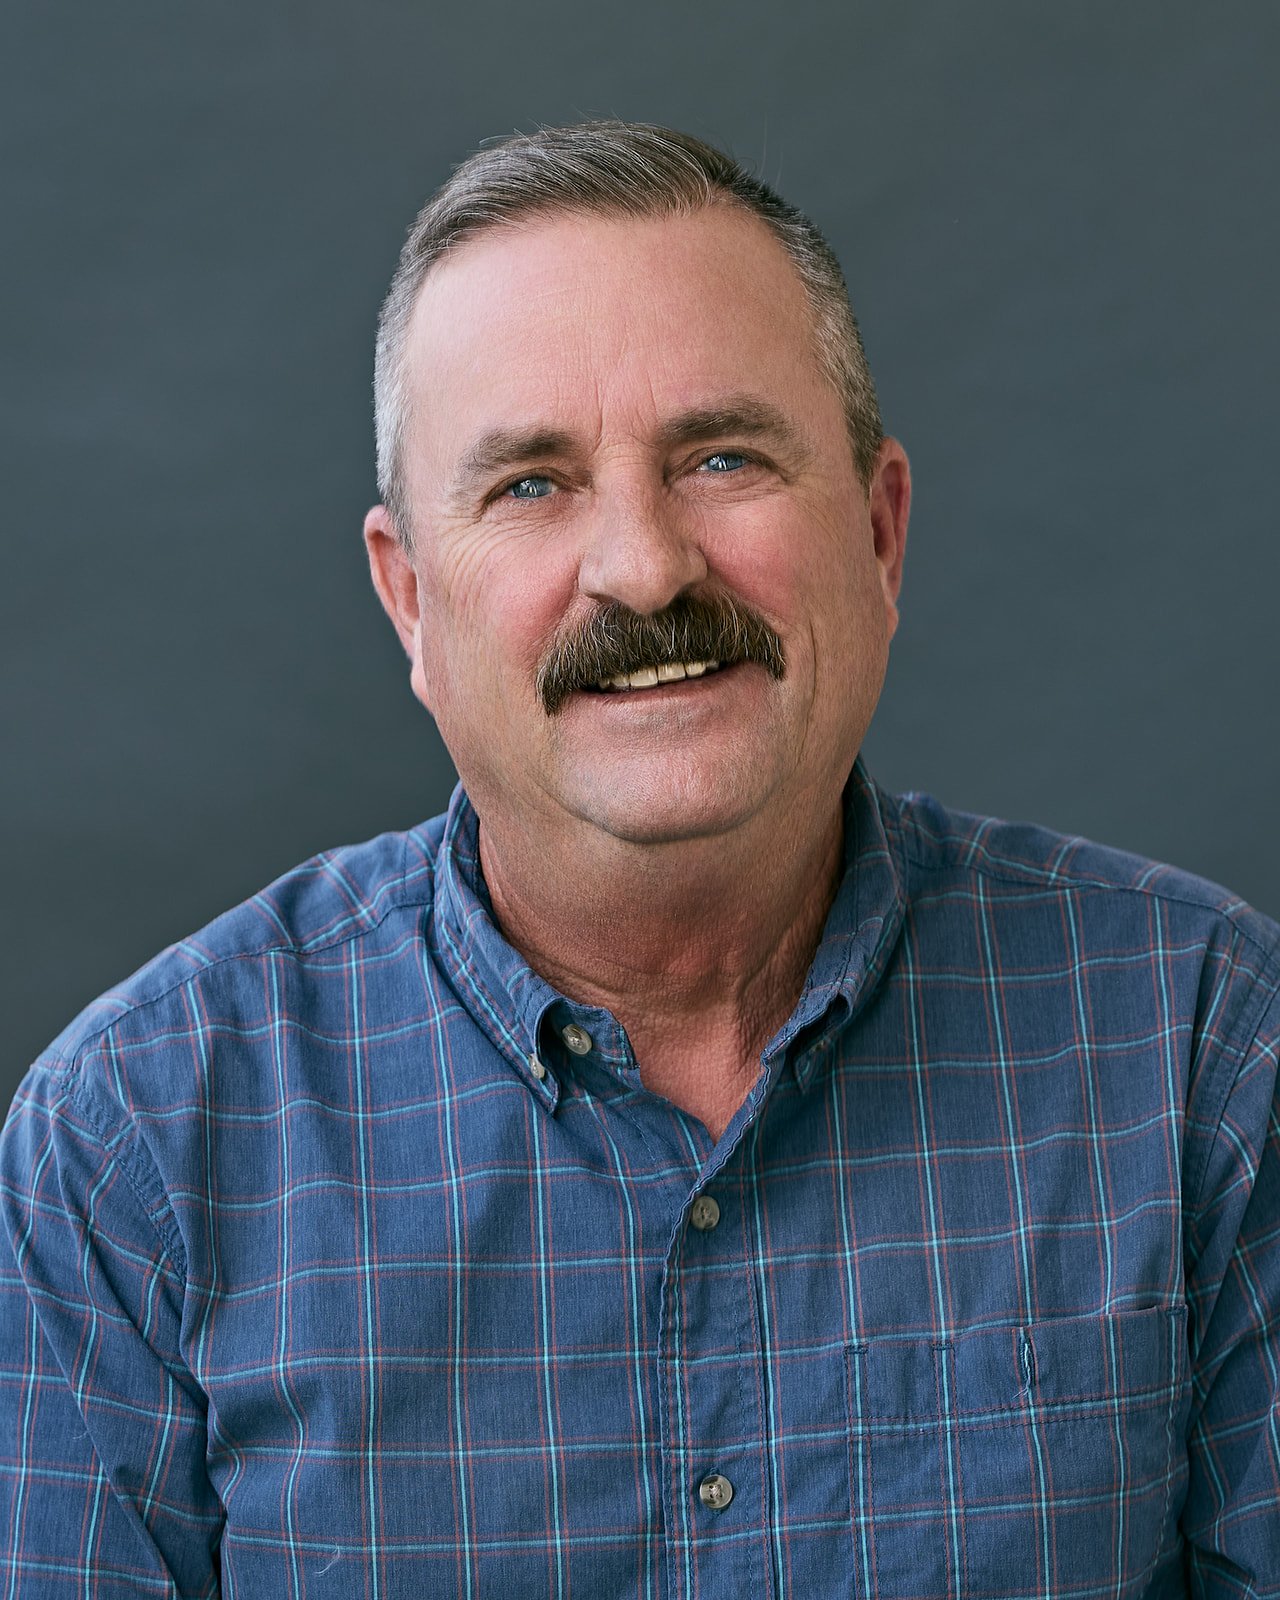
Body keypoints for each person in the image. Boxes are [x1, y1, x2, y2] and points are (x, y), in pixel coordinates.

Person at [2, 121, 1277, 1599]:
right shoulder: (139, 1148)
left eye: (723, 456)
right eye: (532, 484)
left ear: (880, 534)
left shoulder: (1205, 1056)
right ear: (410, 601)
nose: (646, 568)